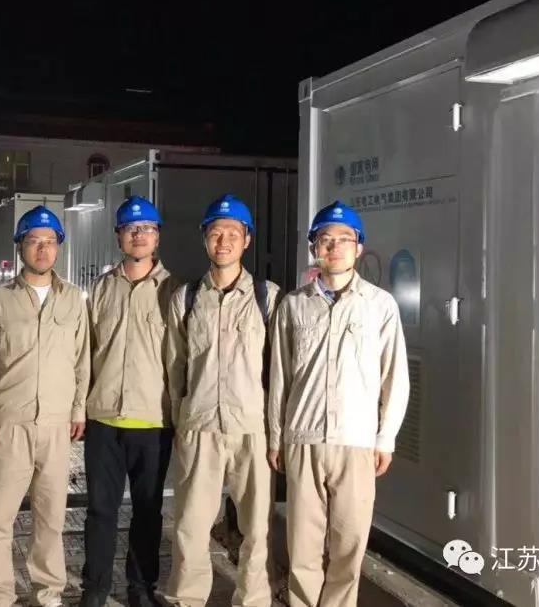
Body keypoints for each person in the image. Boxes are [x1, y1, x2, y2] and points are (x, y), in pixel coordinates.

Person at [267, 201, 410, 607]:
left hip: (356, 441)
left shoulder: (380, 305)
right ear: (314, 247)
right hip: (304, 438)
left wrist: (385, 439)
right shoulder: (293, 305)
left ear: (359, 248)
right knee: (303, 544)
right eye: (325, 240)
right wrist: (276, 437)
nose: (334, 247)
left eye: (344, 239)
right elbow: (279, 377)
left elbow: (395, 377)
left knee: (349, 544)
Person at [163, 194, 280, 607]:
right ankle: (187, 599)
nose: (224, 241)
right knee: (191, 527)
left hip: (252, 429)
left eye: (233, 233)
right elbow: (175, 366)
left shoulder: (268, 298)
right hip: (200, 428)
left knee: (257, 528)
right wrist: (180, 421)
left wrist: (275, 431)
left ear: (247, 239)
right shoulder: (187, 298)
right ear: (204, 239)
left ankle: (253, 600)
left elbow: (280, 370)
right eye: (216, 233)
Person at [0, 206, 90, 607]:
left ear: (59, 247)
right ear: (20, 247)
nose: (42, 249)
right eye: (33, 241)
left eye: (49, 241)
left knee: (51, 517)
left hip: (56, 426)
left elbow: (82, 359)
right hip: (10, 422)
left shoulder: (74, 299)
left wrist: (78, 410)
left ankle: (48, 593)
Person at [81, 196, 181, 607]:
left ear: (158, 237)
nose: (139, 235)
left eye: (147, 229)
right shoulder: (101, 288)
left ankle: (141, 589)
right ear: (119, 236)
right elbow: (85, 352)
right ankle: (95, 589)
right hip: (104, 419)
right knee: (100, 511)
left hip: (153, 420)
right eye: (131, 228)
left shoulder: (175, 291)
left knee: (148, 512)